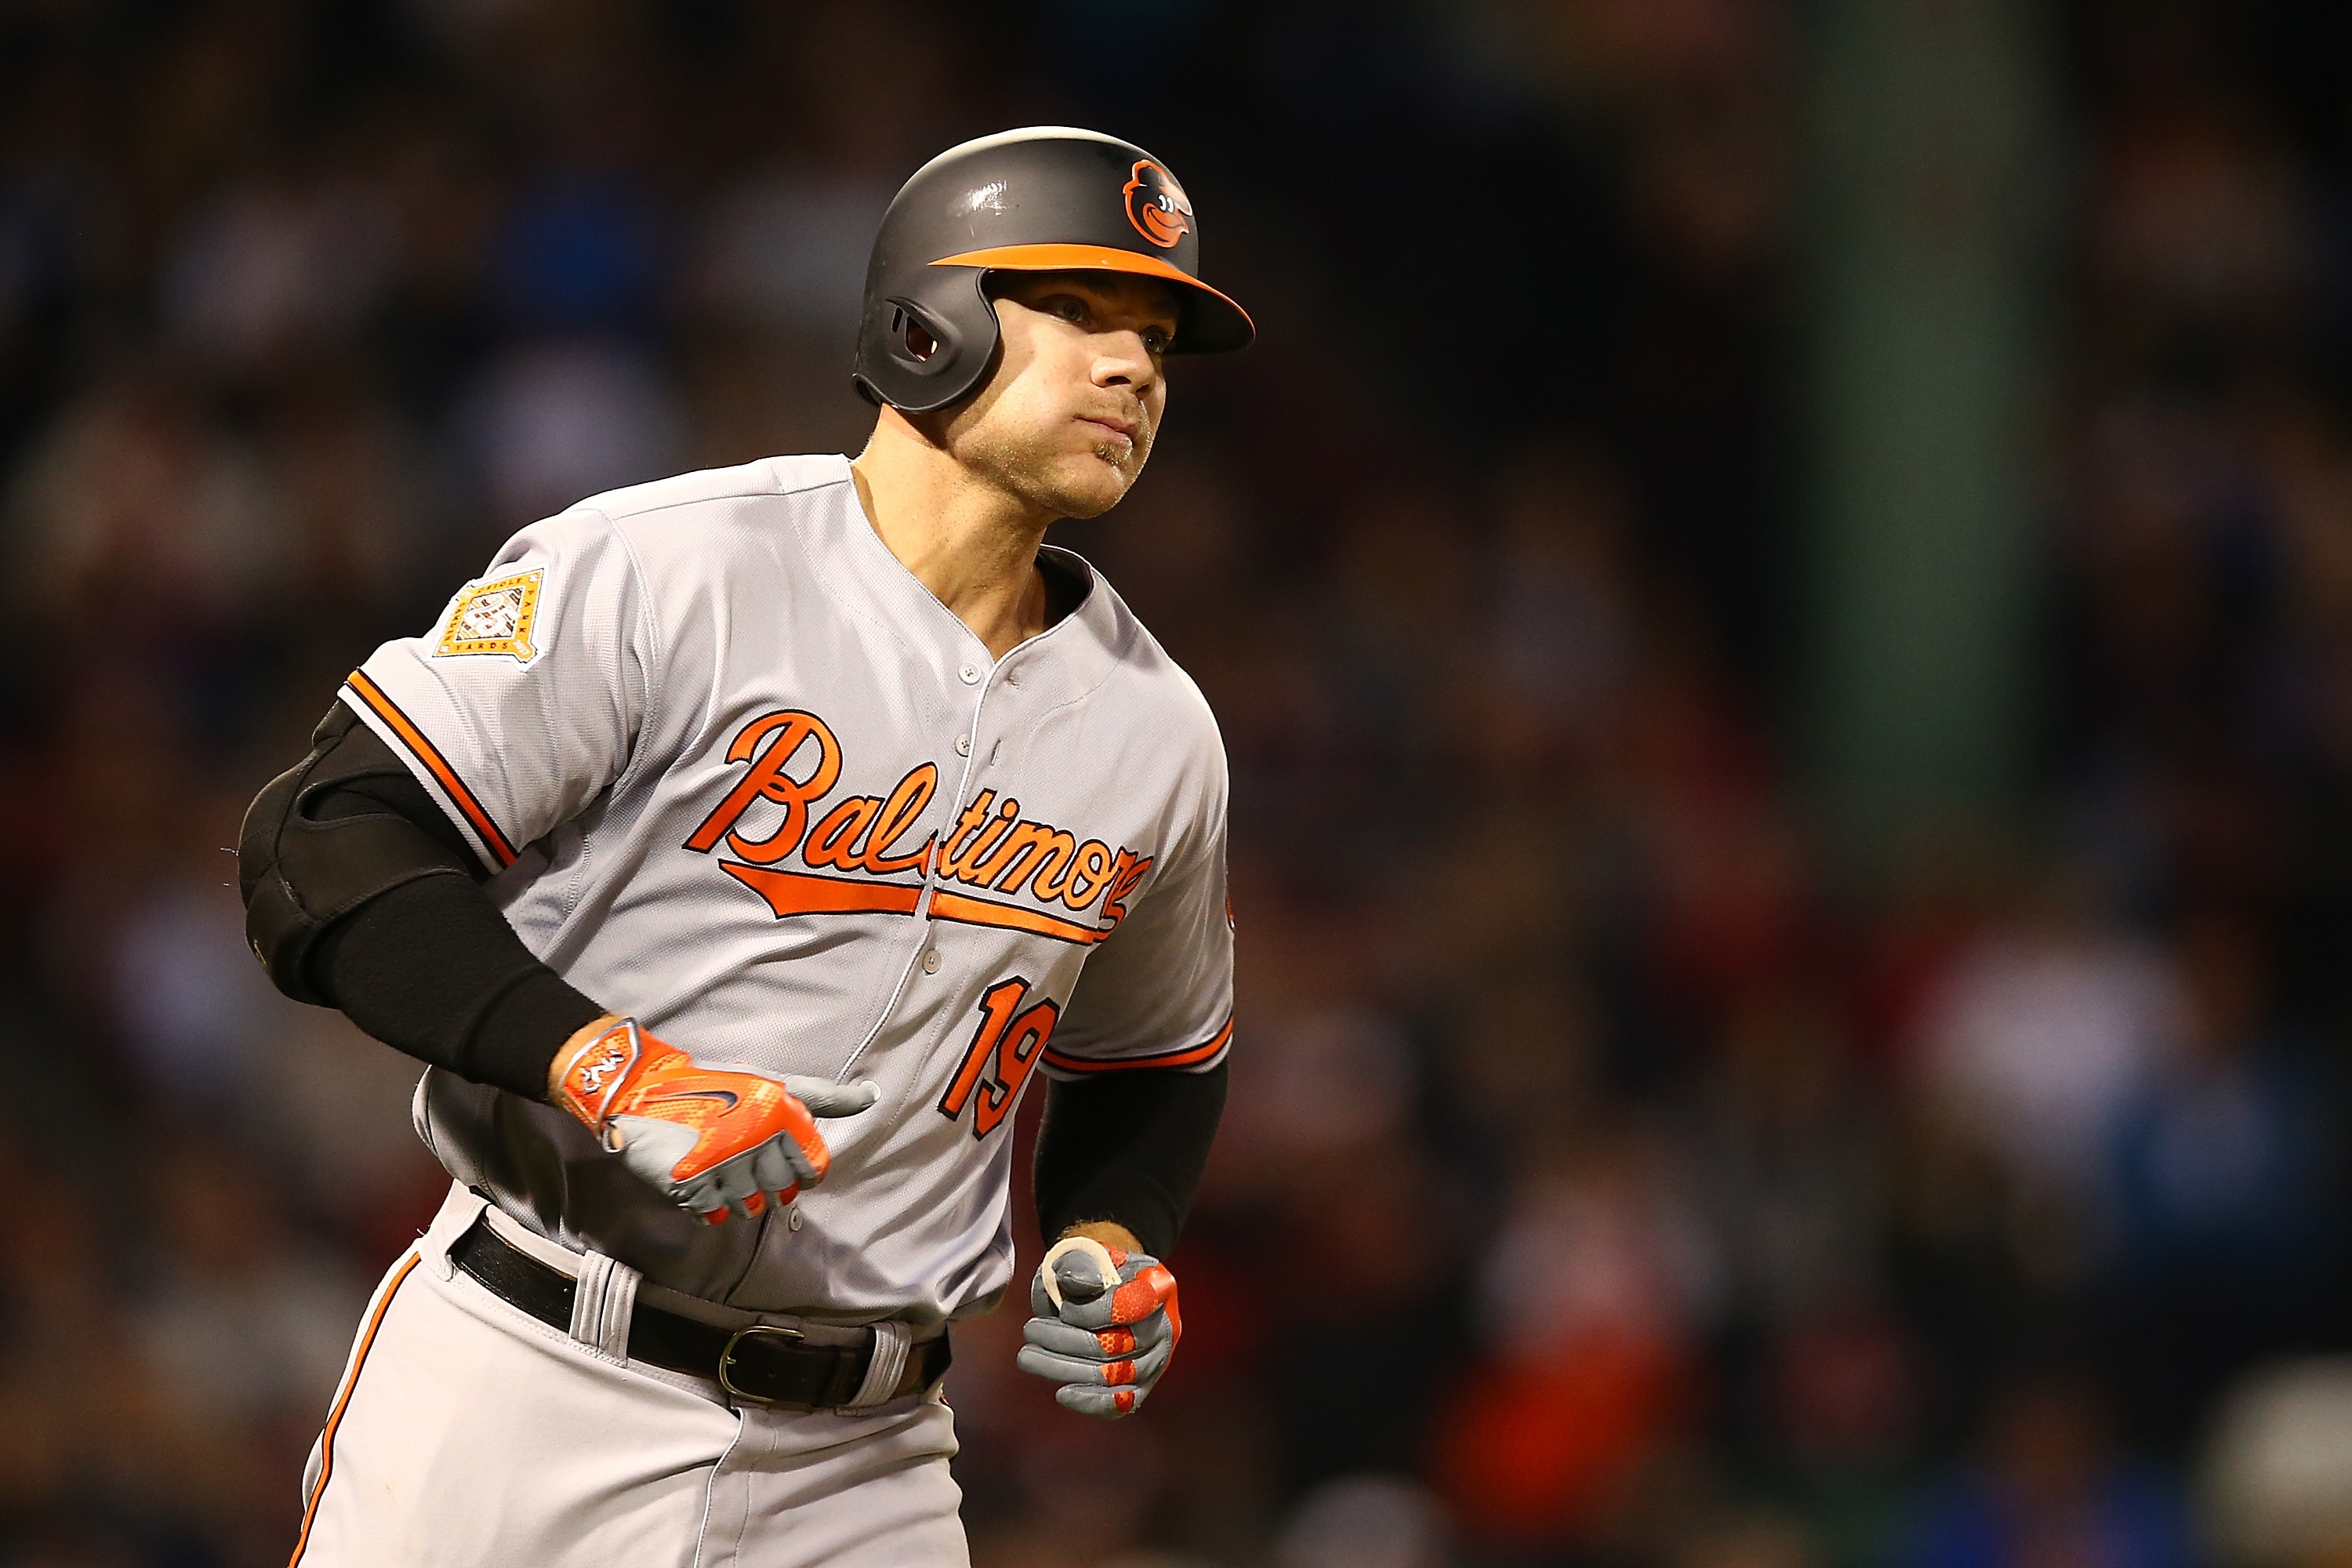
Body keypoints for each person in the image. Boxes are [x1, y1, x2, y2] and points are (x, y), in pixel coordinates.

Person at [238, 126, 1250, 1567]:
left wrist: (1113, 1235)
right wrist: (604, 1063)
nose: (1136, 368)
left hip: (871, 1461)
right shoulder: (671, 569)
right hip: (532, 1377)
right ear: (929, 325)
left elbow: (1155, 1060)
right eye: (1081, 312)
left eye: (1156, 339)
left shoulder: (1159, 733)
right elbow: (319, 846)